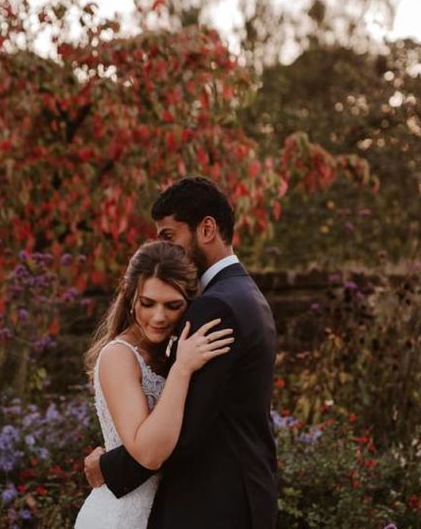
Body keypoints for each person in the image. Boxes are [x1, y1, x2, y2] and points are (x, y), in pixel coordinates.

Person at [84, 176, 278, 528]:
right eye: (148, 303)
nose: (167, 249)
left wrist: (108, 467)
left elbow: (185, 427)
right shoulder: (247, 295)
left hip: (209, 505)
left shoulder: (215, 305)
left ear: (206, 229)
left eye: (170, 236)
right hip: (240, 496)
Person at [74, 239, 235, 529]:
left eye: (172, 306)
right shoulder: (118, 356)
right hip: (120, 517)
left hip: (163, 512)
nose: (159, 317)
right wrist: (182, 369)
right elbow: (149, 454)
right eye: (148, 303)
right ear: (130, 296)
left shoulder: (169, 351)